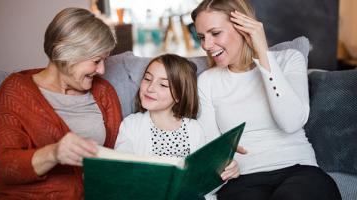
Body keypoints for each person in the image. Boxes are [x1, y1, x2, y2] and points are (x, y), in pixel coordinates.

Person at [191, 0, 341, 200]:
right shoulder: (207, 81)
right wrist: (221, 161)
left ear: (243, 28)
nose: (207, 45)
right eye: (201, 37)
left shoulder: (289, 59)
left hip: (298, 170)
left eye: (215, 33)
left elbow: (291, 122)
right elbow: (211, 148)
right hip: (242, 180)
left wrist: (263, 53)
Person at [0, 8, 122, 199]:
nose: (101, 70)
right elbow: (5, 167)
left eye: (104, 60)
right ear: (66, 54)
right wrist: (54, 153)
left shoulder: (104, 92)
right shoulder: (16, 90)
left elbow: (114, 159)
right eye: (96, 61)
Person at [114, 54, 240, 200]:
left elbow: (206, 181)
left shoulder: (194, 128)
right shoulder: (131, 125)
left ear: (179, 95)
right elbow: (123, 169)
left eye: (163, 85)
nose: (150, 88)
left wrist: (225, 169)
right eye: (147, 79)